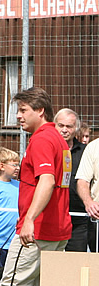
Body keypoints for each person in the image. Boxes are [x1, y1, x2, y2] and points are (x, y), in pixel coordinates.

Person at [0, 87, 71, 286]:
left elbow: (47, 182)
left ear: (40, 111)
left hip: (38, 230)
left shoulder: (42, 139)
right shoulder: (59, 139)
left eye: (23, 110)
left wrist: (29, 218)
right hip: (59, 229)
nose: (18, 116)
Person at [54, 108, 87, 252]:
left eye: (69, 126)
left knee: (75, 263)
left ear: (76, 129)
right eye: (61, 125)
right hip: (53, 217)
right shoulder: (47, 149)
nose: (64, 130)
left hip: (78, 219)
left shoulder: (86, 151)